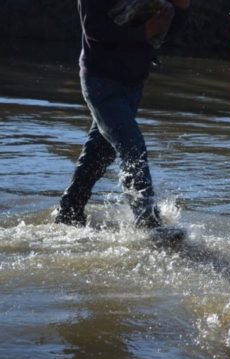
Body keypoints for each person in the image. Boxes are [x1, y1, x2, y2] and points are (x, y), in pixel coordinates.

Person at [53, 0, 190, 228]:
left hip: (134, 82)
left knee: (99, 153)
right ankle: (148, 223)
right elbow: (95, 29)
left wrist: (182, 10)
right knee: (132, 148)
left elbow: (164, 34)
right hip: (101, 80)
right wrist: (144, 32)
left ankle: (69, 212)